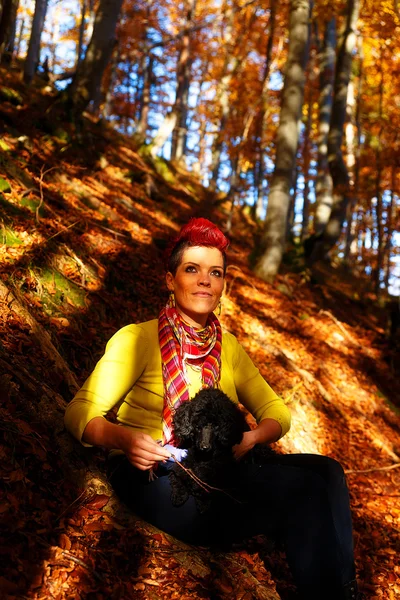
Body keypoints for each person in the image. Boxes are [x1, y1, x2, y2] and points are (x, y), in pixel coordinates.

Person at [64, 218, 364, 600]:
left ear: (223, 285)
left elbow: (278, 411)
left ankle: (344, 589)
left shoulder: (230, 349)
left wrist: (252, 437)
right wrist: (123, 438)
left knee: (328, 471)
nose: (205, 280)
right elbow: (79, 411)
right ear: (170, 280)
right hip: (161, 476)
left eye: (215, 272)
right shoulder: (137, 339)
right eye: (192, 269)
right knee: (302, 490)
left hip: (221, 467)